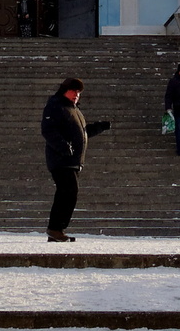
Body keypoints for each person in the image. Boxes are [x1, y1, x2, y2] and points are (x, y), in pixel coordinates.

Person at [40, 75, 109, 243]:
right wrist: (63, 146)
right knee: (68, 192)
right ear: (65, 90)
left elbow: (81, 133)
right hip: (61, 159)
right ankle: (55, 229)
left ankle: (56, 230)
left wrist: (99, 127)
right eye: (73, 91)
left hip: (73, 161)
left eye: (78, 92)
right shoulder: (55, 106)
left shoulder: (75, 110)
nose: (76, 95)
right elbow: (48, 130)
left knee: (68, 193)